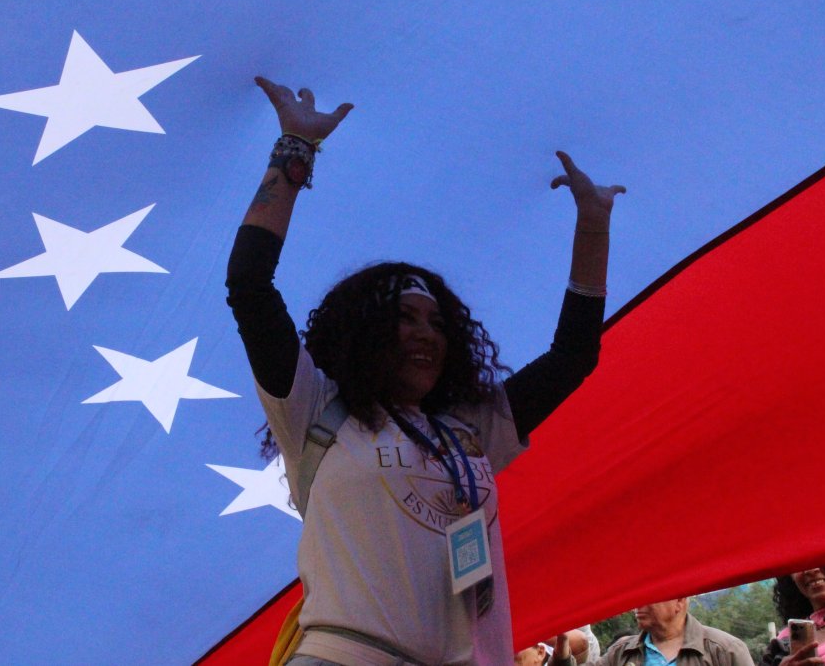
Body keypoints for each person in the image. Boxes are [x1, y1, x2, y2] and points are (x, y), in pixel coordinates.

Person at [225, 75, 625, 665]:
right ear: (362, 335)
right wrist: (293, 154)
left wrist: (592, 226)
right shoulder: (314, 406)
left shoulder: (471, 430)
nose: (424, 334)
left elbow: (573, 357)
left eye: (438, 324)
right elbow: (250, 286)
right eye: (403, 319)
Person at [550, 598, 754, 666]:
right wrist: (561, 656)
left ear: (679, 601)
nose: (638, 605)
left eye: (650, 597)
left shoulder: (725, 651)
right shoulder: (621, 653)